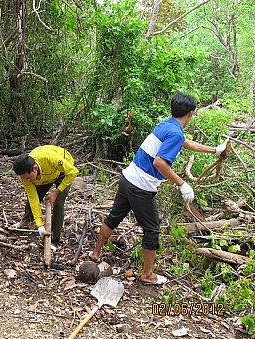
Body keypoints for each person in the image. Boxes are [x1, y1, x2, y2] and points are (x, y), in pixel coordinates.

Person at [89, 93, 229, 285]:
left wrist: (214, 150)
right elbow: (160, 162)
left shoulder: (167, 125)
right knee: (152, 230)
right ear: (190, 113)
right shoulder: (175, 132)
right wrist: (182, 184)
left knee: (113, 218)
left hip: (127, 178)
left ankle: (95, 254)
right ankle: (147, 275)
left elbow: (184, 143)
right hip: (142, 187)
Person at [12, 145, 79, 248]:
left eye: (29, 178)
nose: (28, 181)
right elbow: (33, 198)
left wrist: (56, 192)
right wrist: (40, 225)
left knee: (58, 204)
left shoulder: (50, 158)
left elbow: (73, 172)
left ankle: (54, 241)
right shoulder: (26, 178)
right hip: (45, 175)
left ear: (34, 168)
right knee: (34, 197)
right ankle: (27, 220)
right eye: (25, 179)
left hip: (63, 171)